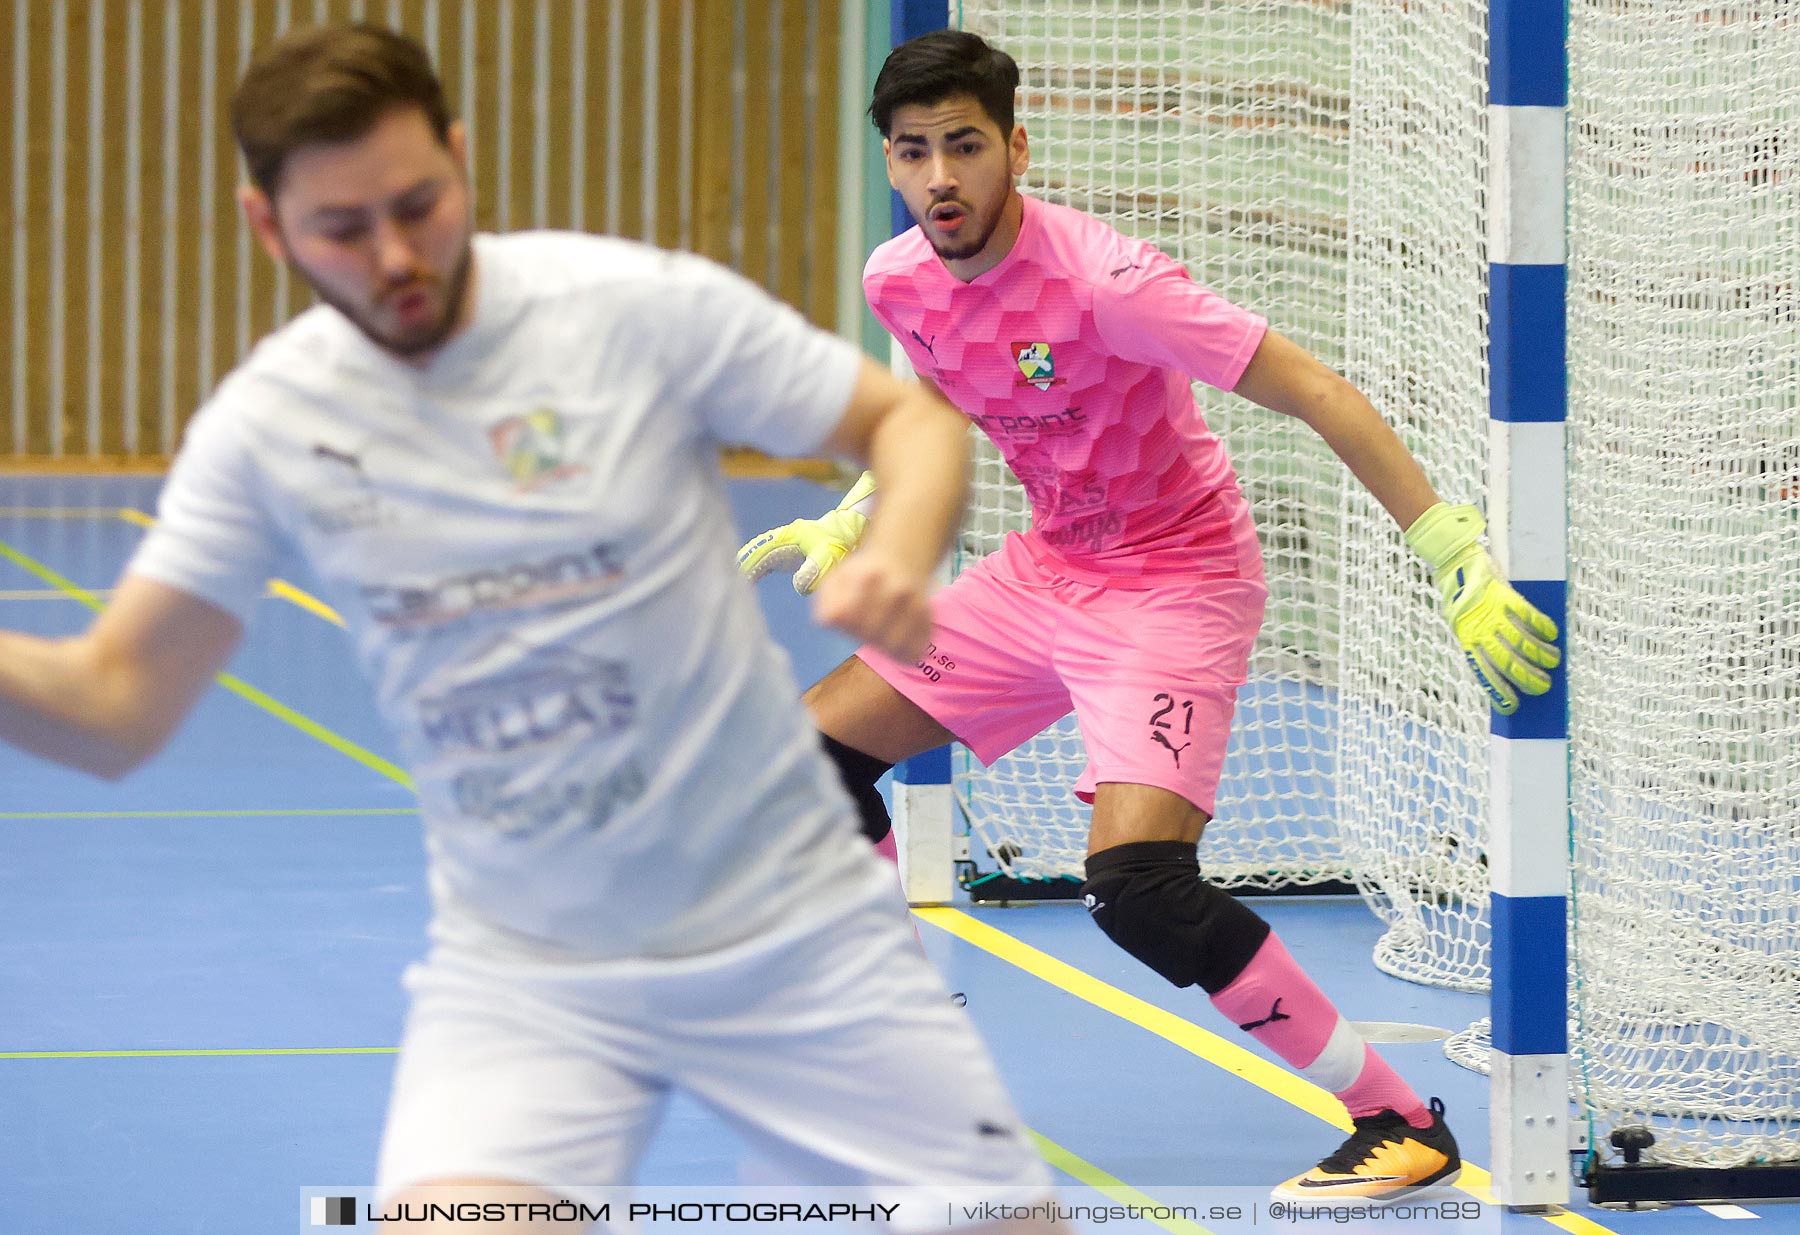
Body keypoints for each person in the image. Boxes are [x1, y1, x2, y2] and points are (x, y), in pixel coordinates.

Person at [0, 23, 1059, 1233]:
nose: (397, 256)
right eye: (344, 228)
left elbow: (908, 425)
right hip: (530, 966)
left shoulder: (624, 305)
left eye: (420, 202)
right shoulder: (273, 425)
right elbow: (114, 704)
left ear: (460, 156)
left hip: (792, 918)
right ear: (267, 225)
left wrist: (901, 548)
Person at [740, 29, 1561, 1206]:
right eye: (913, 153)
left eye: (965, 147)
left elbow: (1319, 391)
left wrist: (1446, 547)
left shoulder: (1110, 284)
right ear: (889, 161)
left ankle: (1395, 1115)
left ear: (1014, 146)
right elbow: (936, 392)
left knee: (1138, 887)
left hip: (1177, 578)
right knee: (808, 760)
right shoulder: (898, 277)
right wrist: (856, 509)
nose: (940, 179)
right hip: (1048, 568)